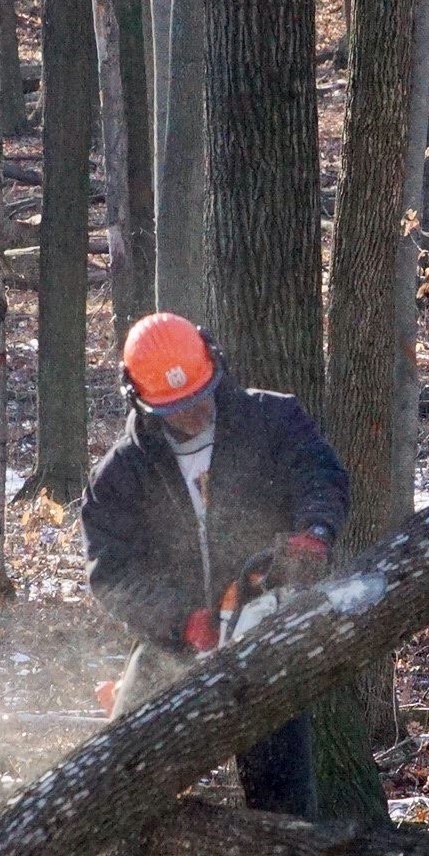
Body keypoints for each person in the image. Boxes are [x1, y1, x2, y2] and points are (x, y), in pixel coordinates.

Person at [81, 312, 349, 821]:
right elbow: (111, 572)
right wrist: (181, 619)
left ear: (214, 366)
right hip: (173, 639)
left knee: (281, 785)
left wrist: (314, 533)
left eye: (198, 396)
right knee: (123, 765)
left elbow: (321, 474)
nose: (192, 413)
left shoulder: (272, 421)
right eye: (176, 407)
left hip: (262, 627)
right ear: (140, 399)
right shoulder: (120, 476)